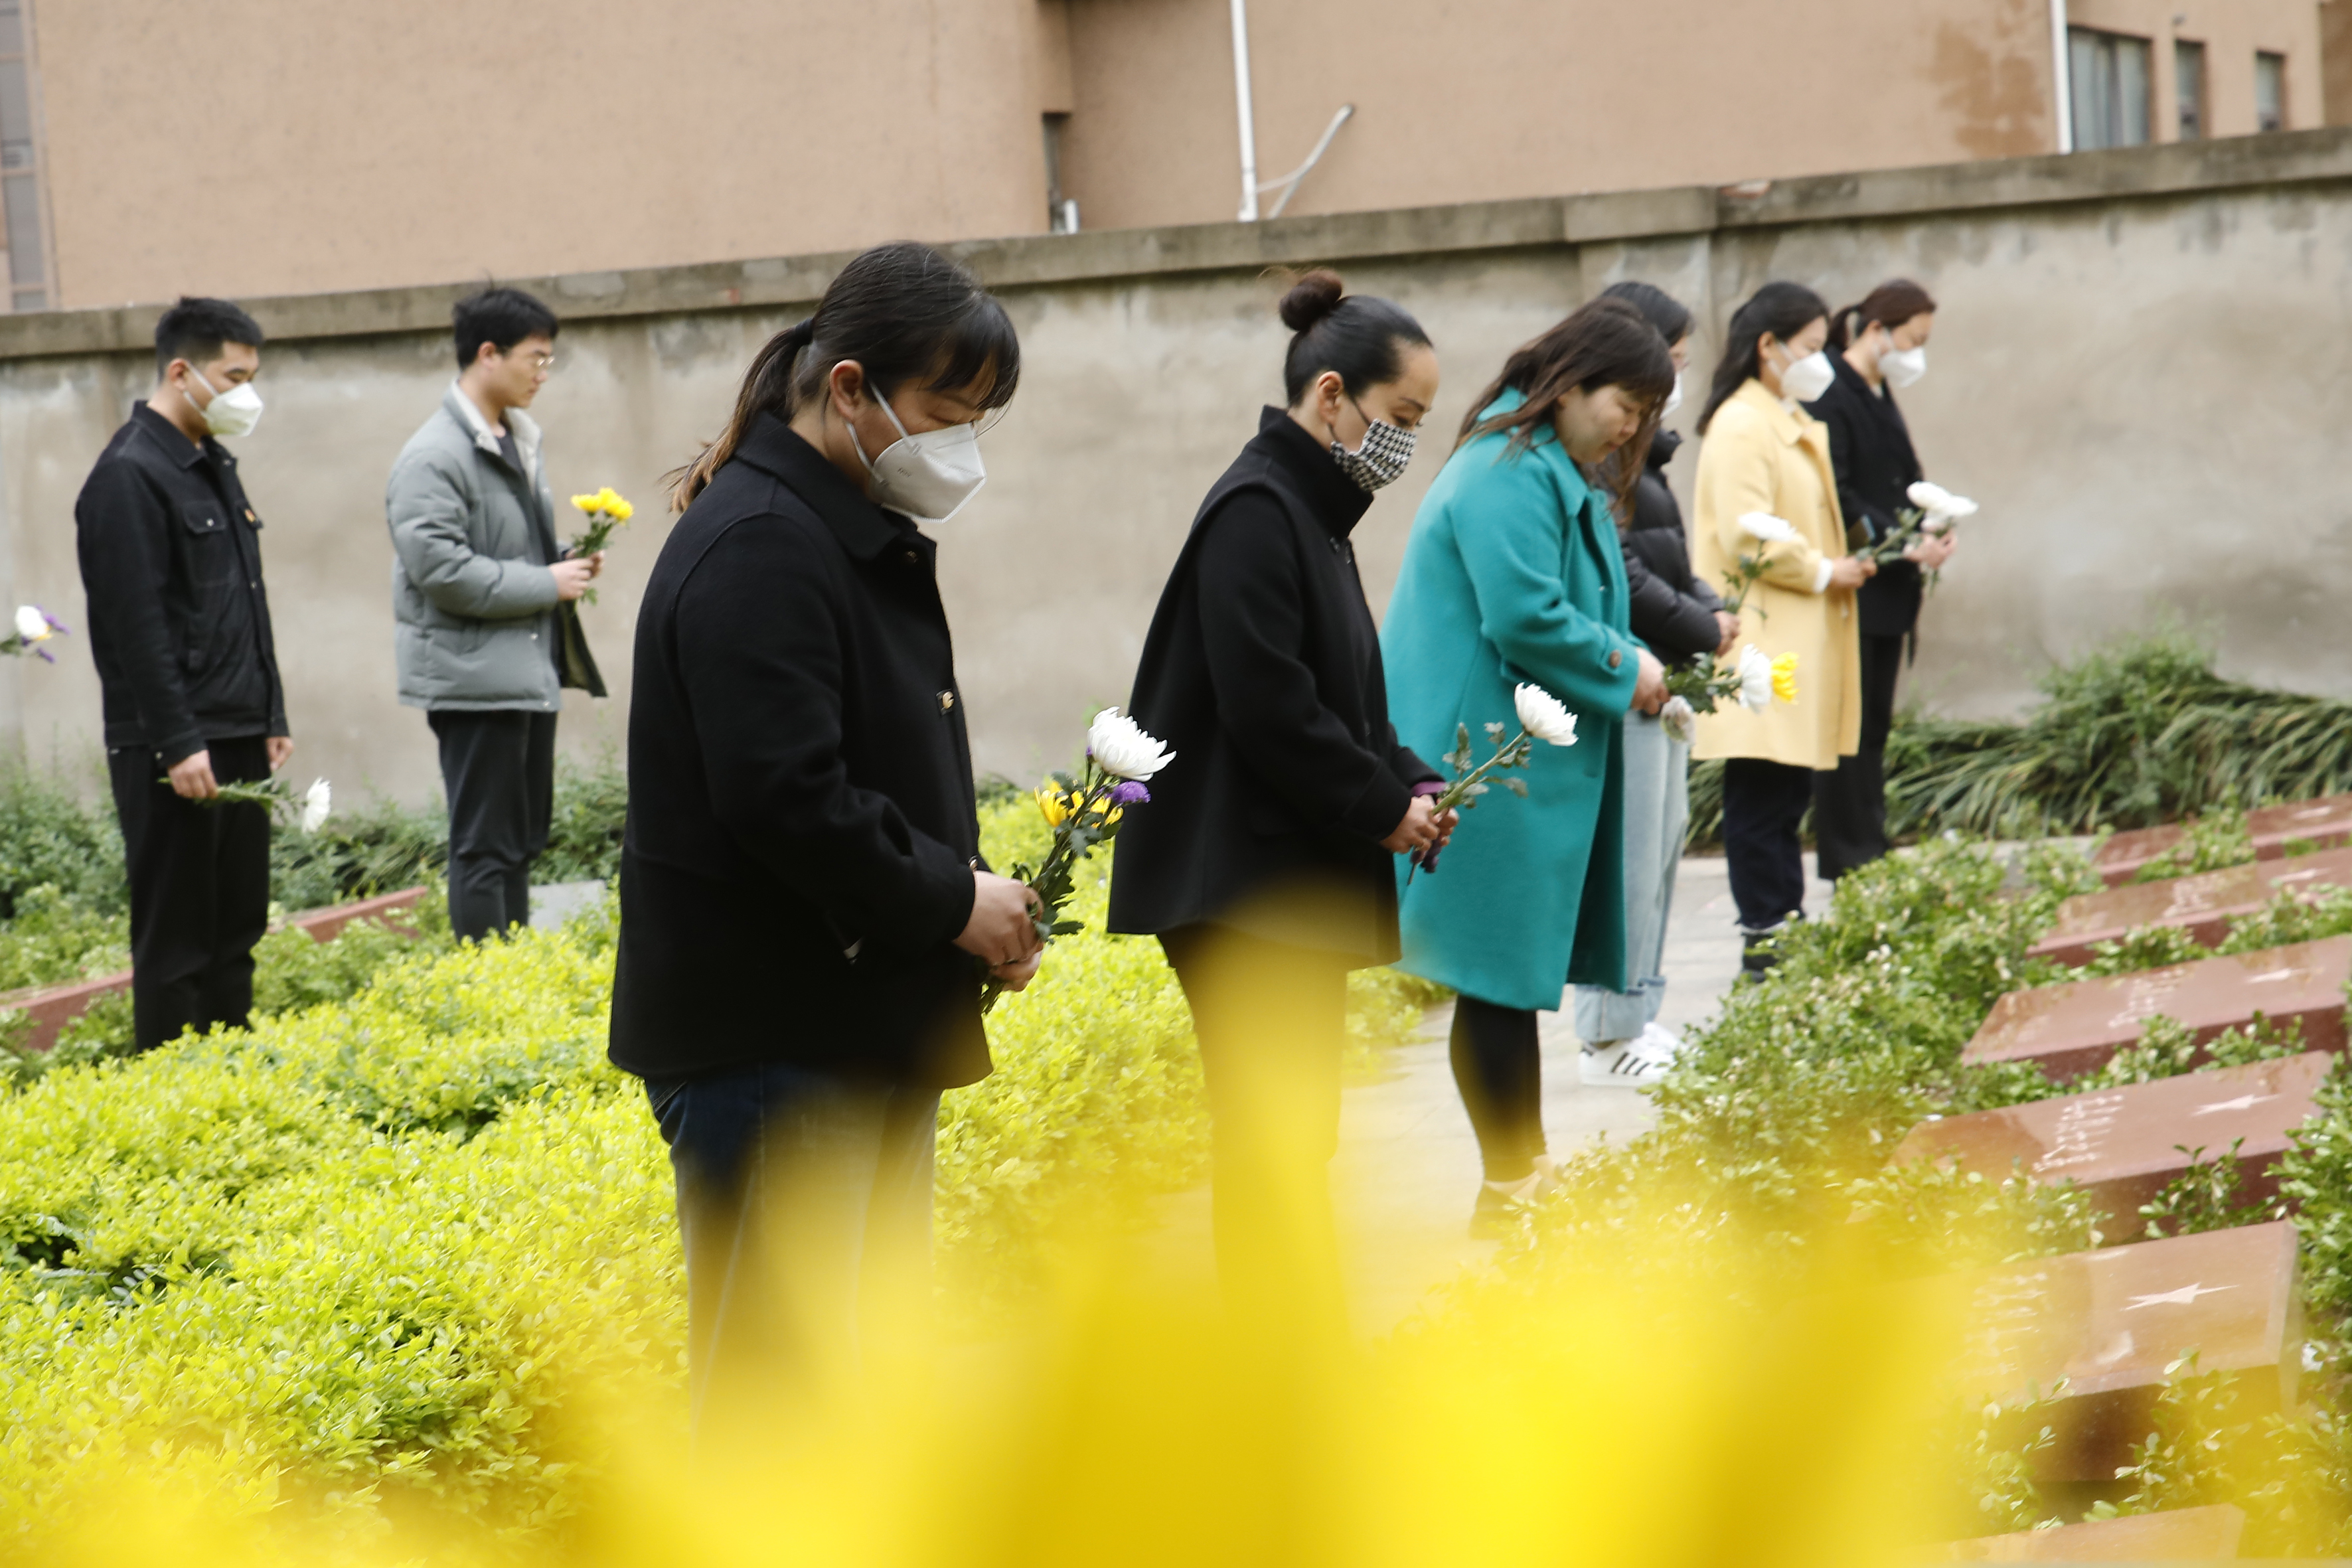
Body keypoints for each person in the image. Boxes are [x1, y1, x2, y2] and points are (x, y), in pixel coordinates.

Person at [608, 242, 1038, 1431]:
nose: (960, 448)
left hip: (843, 1019)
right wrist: (952, 900)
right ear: (848, 387)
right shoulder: (763, 542)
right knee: (774, 1406)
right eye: (946, 414)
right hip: (774, 1038)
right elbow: (785, 794)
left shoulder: (818, 524)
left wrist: (963, 893)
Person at [1110, 270, 1447, 1326]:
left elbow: (1342, 699)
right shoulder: (1258, 510)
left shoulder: (1310, 511)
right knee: (1272, 1131)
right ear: (1333, 395)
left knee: (1293, 1131)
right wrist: (1376, 804)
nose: (1404, 442)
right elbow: (1269, 709)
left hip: (1271, 877)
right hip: (1237, 884)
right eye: (1400, 418)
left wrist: (1408, 779)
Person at [1381, 296, 1674, 1237]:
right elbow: (1524, 617)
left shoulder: (1536, 463)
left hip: (1505, 756)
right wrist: (1625, 668)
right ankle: (1510, 1188)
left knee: (1501, 978)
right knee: (1495, 976)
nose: (1630, 425)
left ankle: (1518, 1176)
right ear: (1571, 380)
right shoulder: (1509, 469)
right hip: (1484, 761)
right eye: (1625, 402)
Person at [74, 297, 292, 1054]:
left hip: (234, 731)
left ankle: (229, 1082)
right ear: (181, 371)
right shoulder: (129, 476)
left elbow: (245, 605)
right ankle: (173, 1091)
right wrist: (177, 740)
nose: (246, 394)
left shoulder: (213, 466)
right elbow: (136, 629)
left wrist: (272, 716)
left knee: (237, 929)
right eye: (234, 376)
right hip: (175, 748)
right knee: (177, 944)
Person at [385, 287, 605, 943]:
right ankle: (487, 979)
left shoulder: (511, 438)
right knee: (485, 847)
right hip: (474, 683)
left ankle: (508, 975)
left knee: (518, 842)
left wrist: (559, 559)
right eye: (536, 358)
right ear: (488, 355)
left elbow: (491, 549)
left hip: (520, 671)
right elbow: (443, 573)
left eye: (548, 360)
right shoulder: (434, 456)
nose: (543, 373)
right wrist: (546, 581)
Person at [1566, 281, 1739, 1082]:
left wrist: (1710, 610)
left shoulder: (1644, 457)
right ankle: (1606, 1030)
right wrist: (1703, 627)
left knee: (1663, 845)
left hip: (1662, 676)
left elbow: (1667, 557)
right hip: (1627, 677)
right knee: (1629, 860)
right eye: (1667, 362)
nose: (1670, 382)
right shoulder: (1599, 461)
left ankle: (1639, 1010)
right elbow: (1622, 576)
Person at [1687, 282, 1873, 977]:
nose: (1820, 362)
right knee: (1763, 798)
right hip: (1763, 642)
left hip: (1789, 641)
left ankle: (1781, 931)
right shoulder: (1743, 424)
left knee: (1782, 795)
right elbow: (1745, 535)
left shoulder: (1778, 415)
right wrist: (1825, 570)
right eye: (1811, 347)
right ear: (1768, 347)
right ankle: (1767, 942)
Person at [1805, 277, 1951, 880]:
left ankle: (1872, 844)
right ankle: (1849, 854)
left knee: (1874, 730)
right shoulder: (1832, 392)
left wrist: (1932, 525)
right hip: (1857, 588)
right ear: (1875, 330)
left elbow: (1901, 478)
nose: (1915, 353)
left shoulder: (1878, 388)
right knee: (1850, 729)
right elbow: (1836, 494)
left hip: (1891, 593)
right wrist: (1898, 544)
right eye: (1911, 339)